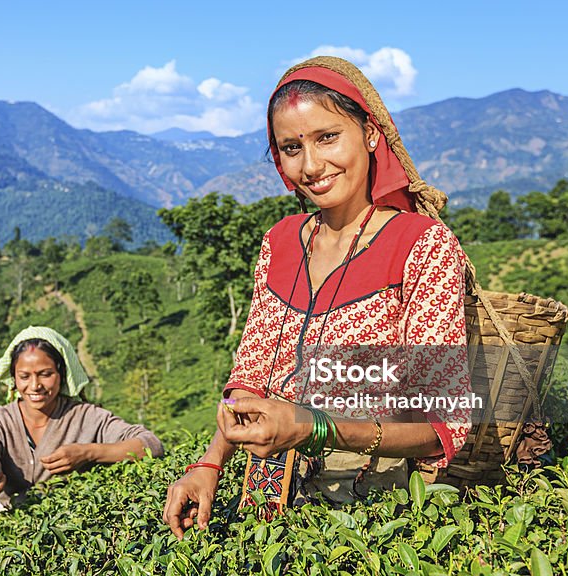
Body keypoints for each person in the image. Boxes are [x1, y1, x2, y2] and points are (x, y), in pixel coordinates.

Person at [162, 56, 472, 538]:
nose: (310, 165)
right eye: (291, 147)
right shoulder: (280, 242)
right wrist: (209, 464)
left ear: (370, 134)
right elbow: (251, 378)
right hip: (265, 502)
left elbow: (440, 425)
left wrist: (314, 426)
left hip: (371, 512)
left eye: (328, 137)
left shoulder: (421, 245)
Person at [0, 325, 165, 510]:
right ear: (14, 379)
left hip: (73, 524)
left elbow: (151, 445)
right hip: (14, 528)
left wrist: (88, 453)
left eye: (45, 374)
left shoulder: (85, 416)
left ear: (61, 374)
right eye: (24, 376)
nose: (35, 385)